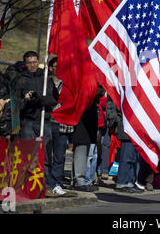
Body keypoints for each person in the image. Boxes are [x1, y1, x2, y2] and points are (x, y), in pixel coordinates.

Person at [14, 51, 57, 196]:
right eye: (29, 63)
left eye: (34, 62)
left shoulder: (45, 78)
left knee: (45, 154)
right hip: (28, 121)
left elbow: (54, 99)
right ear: (25, 64)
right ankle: (26, 185)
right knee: (28, 154)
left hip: (44, 121)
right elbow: (16, 103)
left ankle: (47, 185)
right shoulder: (21, 79)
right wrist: (26, 99)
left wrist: (40, 99)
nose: (32, 65)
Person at [47, 57, 75, 196]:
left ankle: (56, 183)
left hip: (62, 124)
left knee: (59, 156)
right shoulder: (45, 82)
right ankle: (47, 183)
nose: (58, 69)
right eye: (55, 66)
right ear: (50, 67)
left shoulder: (69, 85)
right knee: (46, 155)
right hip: (47, 122)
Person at [71, 85, 104, 192]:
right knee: (81, 152)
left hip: (90, 123)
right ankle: (79, 181)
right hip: (81, 123)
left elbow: (101, 93)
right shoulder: (83, 85)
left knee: (89, 155)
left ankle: (84, 180)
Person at [107, 97, 143, 193]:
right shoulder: (123, 89)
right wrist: (115, 121)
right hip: (126, 126)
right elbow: (113, 107)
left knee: (133, 158)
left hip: (136, 127)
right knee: (126, 157)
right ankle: (122, 182)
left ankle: (130, 182)